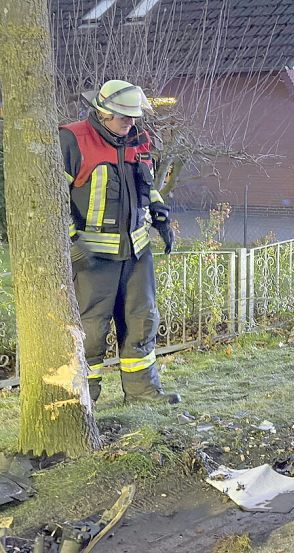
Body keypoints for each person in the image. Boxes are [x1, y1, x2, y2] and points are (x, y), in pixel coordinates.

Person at [60, 79, 180, 404]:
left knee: (143, 321)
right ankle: (84, 397)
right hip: (93, 256)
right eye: (124, 117)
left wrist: (161, 217)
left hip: (137, 252)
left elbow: (148, 183)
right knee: (91, 330)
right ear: (102, 112)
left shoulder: (139, 139)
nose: (131, 123)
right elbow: (53, 199)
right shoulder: (73, 140)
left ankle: (143, 393)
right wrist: (74, 239)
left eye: (134, 117)